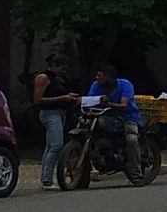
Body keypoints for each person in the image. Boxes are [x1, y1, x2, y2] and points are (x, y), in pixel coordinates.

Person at [31, 53, 82, 190]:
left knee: (51, 146)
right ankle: (47, 180)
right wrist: (62, 98)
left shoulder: (58, 79)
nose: (63, 72)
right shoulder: (43, 78)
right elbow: (38, 99)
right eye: (61, 68)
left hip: (61, 112)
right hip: (50, 113)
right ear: (54, 66)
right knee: (56, 145)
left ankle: (46, 176)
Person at [87, 63, 144, 182]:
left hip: (128, 117)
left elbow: (124, 105)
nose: (97, 78)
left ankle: (136, 175)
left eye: (100, 75)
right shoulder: (96, 86)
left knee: (131, 140)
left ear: (109, 77)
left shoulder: (125, 85)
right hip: (106, 117)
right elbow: (90, 100)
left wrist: (108, 104)